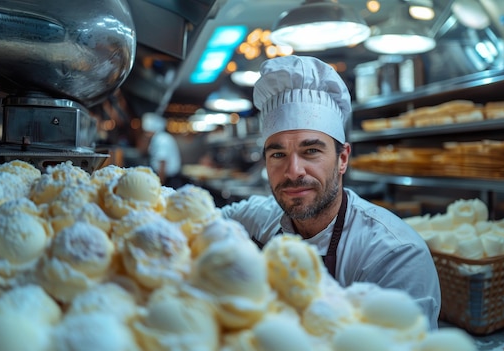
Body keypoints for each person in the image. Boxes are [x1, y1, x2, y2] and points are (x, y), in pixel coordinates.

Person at [219, 55, 441, 329]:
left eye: (311, 151)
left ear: (343, 158)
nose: (293, 171)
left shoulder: (394, 255)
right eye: (278, 154)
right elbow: (198, 224)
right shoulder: (261, 218)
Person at [140, 112, 185, 189]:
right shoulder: (159, 137)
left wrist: (160, 184)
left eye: (147, 132)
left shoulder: (161, 139)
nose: (146, 134)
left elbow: (162, 163)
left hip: (169, 179)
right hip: (167, 177)